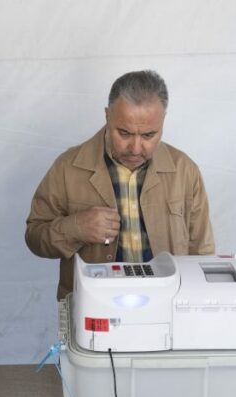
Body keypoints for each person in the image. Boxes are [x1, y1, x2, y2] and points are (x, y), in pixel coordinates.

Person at [25, 69, 214, 299]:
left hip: (168, 307)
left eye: (148, 135)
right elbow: (34, 237)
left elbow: (202, 255)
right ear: (107, 116)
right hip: (94, 310)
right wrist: (76, 227)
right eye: (124, 133)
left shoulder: (185, 170)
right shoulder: (68, 167)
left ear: (163, 121)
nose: (135, 148)